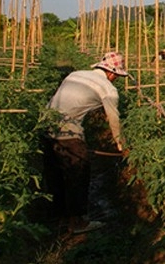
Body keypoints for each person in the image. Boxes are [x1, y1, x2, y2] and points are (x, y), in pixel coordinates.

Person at [42, 51, 128, 234]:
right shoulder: (109, 89)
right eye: (117, 77)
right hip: (68, 133)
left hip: (44, 127)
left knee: (55, 175)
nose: (116, 80)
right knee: (78, 175)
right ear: (112, 74)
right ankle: (78, 223)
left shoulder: (75, 74)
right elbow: (114, 120)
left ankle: (57, 218)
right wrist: (121, 145)